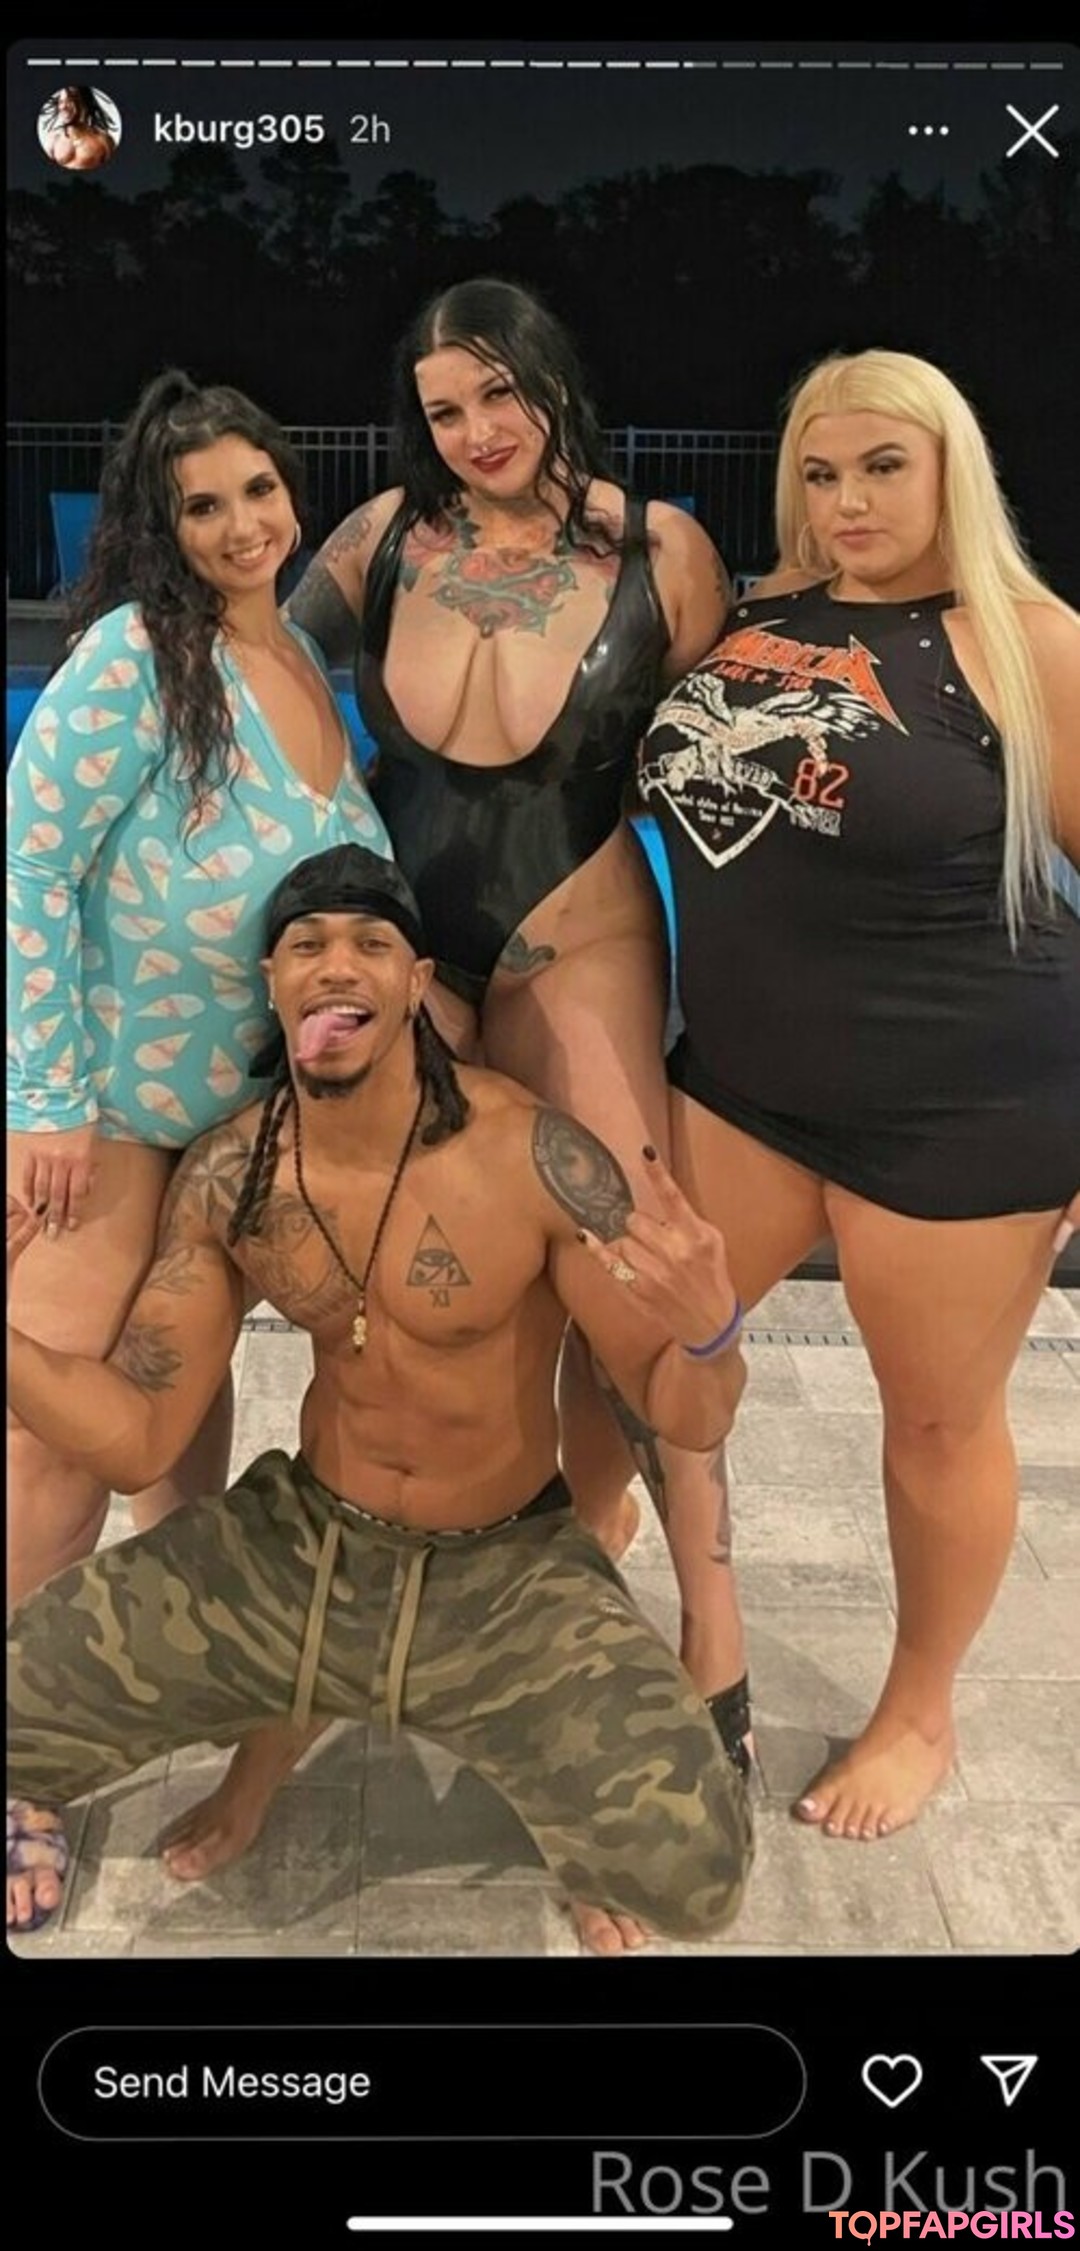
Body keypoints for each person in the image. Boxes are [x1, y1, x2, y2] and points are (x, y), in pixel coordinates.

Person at [6, 843, 752, 1957]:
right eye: (306, 944)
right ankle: (290, 1715)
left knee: (693, 1874)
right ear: (273, 984)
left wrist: (710, 1330)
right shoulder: (234, 1178)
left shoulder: (531, 1156)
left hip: (507, 1567)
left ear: (417, 982)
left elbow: (681, 1412)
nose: (337, 963)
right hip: (307, 1547)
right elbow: (136, 1437)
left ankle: (536, 1774)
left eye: (371, 942)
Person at [287, 275, 755, 1798]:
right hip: (412, 953)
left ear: (552, 380)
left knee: (635, 1263)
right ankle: (467, 1578)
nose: (478, 431)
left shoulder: (660, 551)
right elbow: (248, 677)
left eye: (500, 392)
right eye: (444, 409)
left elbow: (741, 763)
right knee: (425, 1285)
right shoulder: (379, 542)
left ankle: (716, 1631)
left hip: (578, 932)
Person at [639, 347, 1080, 1842]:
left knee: (938, 1426)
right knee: (643, 1342)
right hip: (744, 1086)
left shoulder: (1029, 642)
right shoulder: (761, 615)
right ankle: (656, 1590)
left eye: (885, 466)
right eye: (821, 473)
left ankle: (921, 1707)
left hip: (963, 1105)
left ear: (954, 466)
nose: (848, 502)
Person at [7, 368, 393, 1614]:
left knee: (175, 1410)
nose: (242, 525)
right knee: (55, 1430)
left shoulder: (298, 657)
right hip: (111, 1120)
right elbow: (29, 865)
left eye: (258, 489)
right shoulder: (139, 654)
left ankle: (155, 1665)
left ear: (293, 490)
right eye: (202, 506)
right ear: (160, 527)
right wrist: (46, 1103)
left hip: (234, 1131)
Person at [39, 85, 117, 172]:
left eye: (70, 101)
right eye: (61, 102)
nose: (63, 107)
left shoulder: (103, 141)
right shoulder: (53, 140)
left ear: (85, 104)